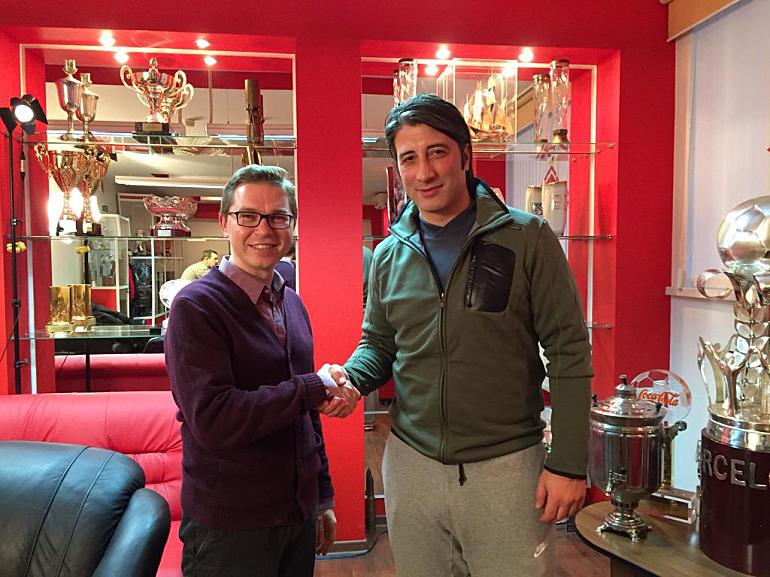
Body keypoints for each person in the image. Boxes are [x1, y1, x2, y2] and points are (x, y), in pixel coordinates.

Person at [327, 94, 593, 577]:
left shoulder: (527, 237)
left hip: (507, 467)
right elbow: (379, 344)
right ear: (398, 169)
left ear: (465, 155)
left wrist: (569, 462)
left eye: (437, 152)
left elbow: (568, 350)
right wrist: (351, 379)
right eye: (409, 158)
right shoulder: (389, 255)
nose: (424, 172)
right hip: (411, 466)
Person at [165, 165, 359, 577]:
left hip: (296, 516)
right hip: (231, 528)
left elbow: (305, 416)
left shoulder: (292, 303)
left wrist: (322, 496)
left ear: (292, 226)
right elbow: (213, 419)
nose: (264, 230)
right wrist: (313, 386)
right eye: (248, 215)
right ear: (224, 222)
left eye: (278, 217)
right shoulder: (196, 307)